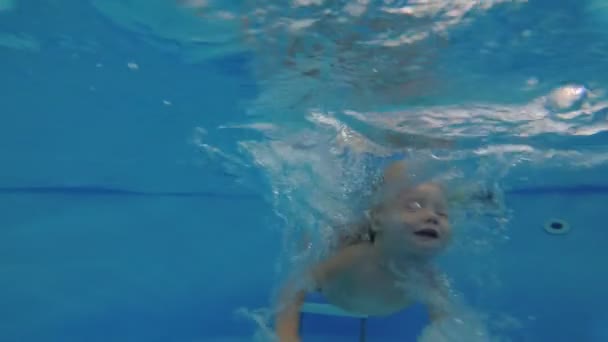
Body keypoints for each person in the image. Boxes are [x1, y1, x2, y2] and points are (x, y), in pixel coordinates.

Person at [274, 160, 487, 341]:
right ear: (377, 220)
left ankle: (458, 197)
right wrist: (287, 336)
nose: (432, 217)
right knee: (325, 236)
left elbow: (447, 325)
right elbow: (293, 288)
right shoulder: (357, 257)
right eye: (413, 206)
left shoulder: (428, 277)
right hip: (335, 284)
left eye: (442, 213)